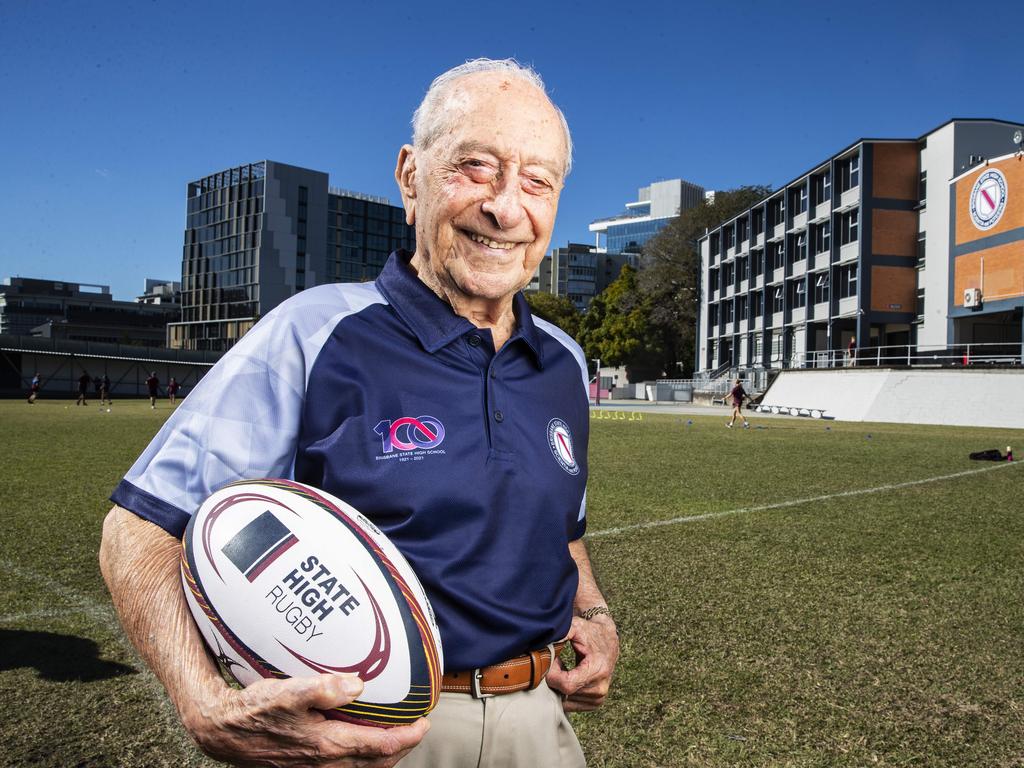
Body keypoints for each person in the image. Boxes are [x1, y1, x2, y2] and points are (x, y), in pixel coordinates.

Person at [100, 59, 618, 768]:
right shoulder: (313, 331)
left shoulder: (562, 359)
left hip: (542, 726)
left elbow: (565, 531)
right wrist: (201, 701)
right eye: (475, 166)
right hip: (364, 737)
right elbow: (139, 527)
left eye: (537, 181)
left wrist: (593, 613)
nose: (506, 207)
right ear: (410, 177)